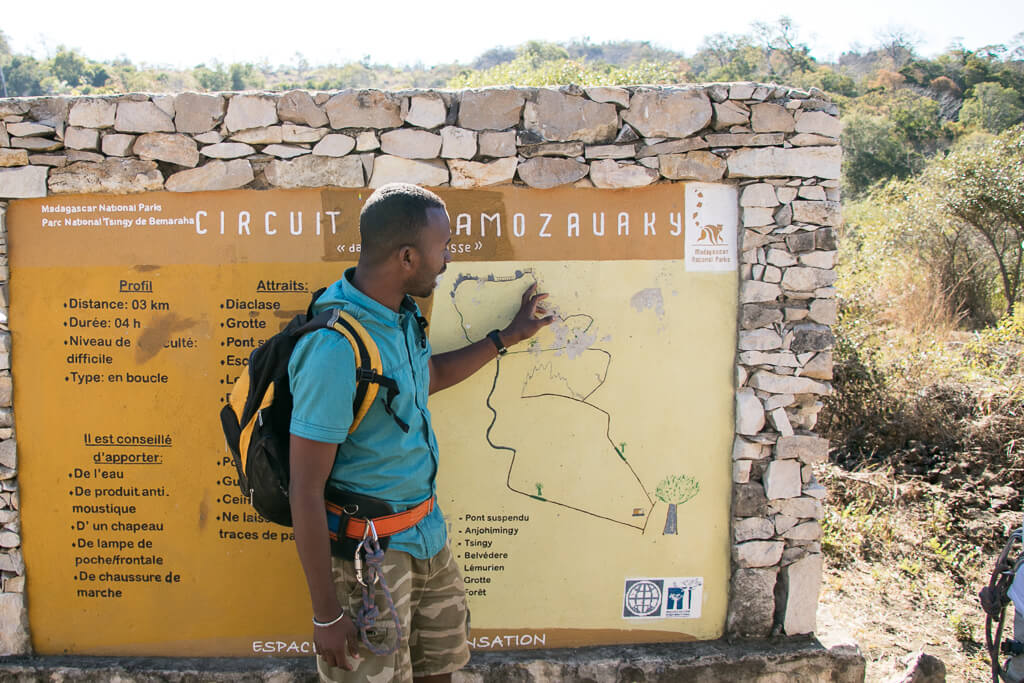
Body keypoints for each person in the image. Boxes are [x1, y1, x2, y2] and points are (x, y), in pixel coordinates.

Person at [287, 182, 552, 682]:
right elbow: (305, 487)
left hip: (428, 539)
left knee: (442, 672)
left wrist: (507, 337)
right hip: (370, 564)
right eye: (443, 247)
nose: (448, 258)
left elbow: (424, 379)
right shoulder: (333, 349)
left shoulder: (401, 314)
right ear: (407, 256)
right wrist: (325, 614)